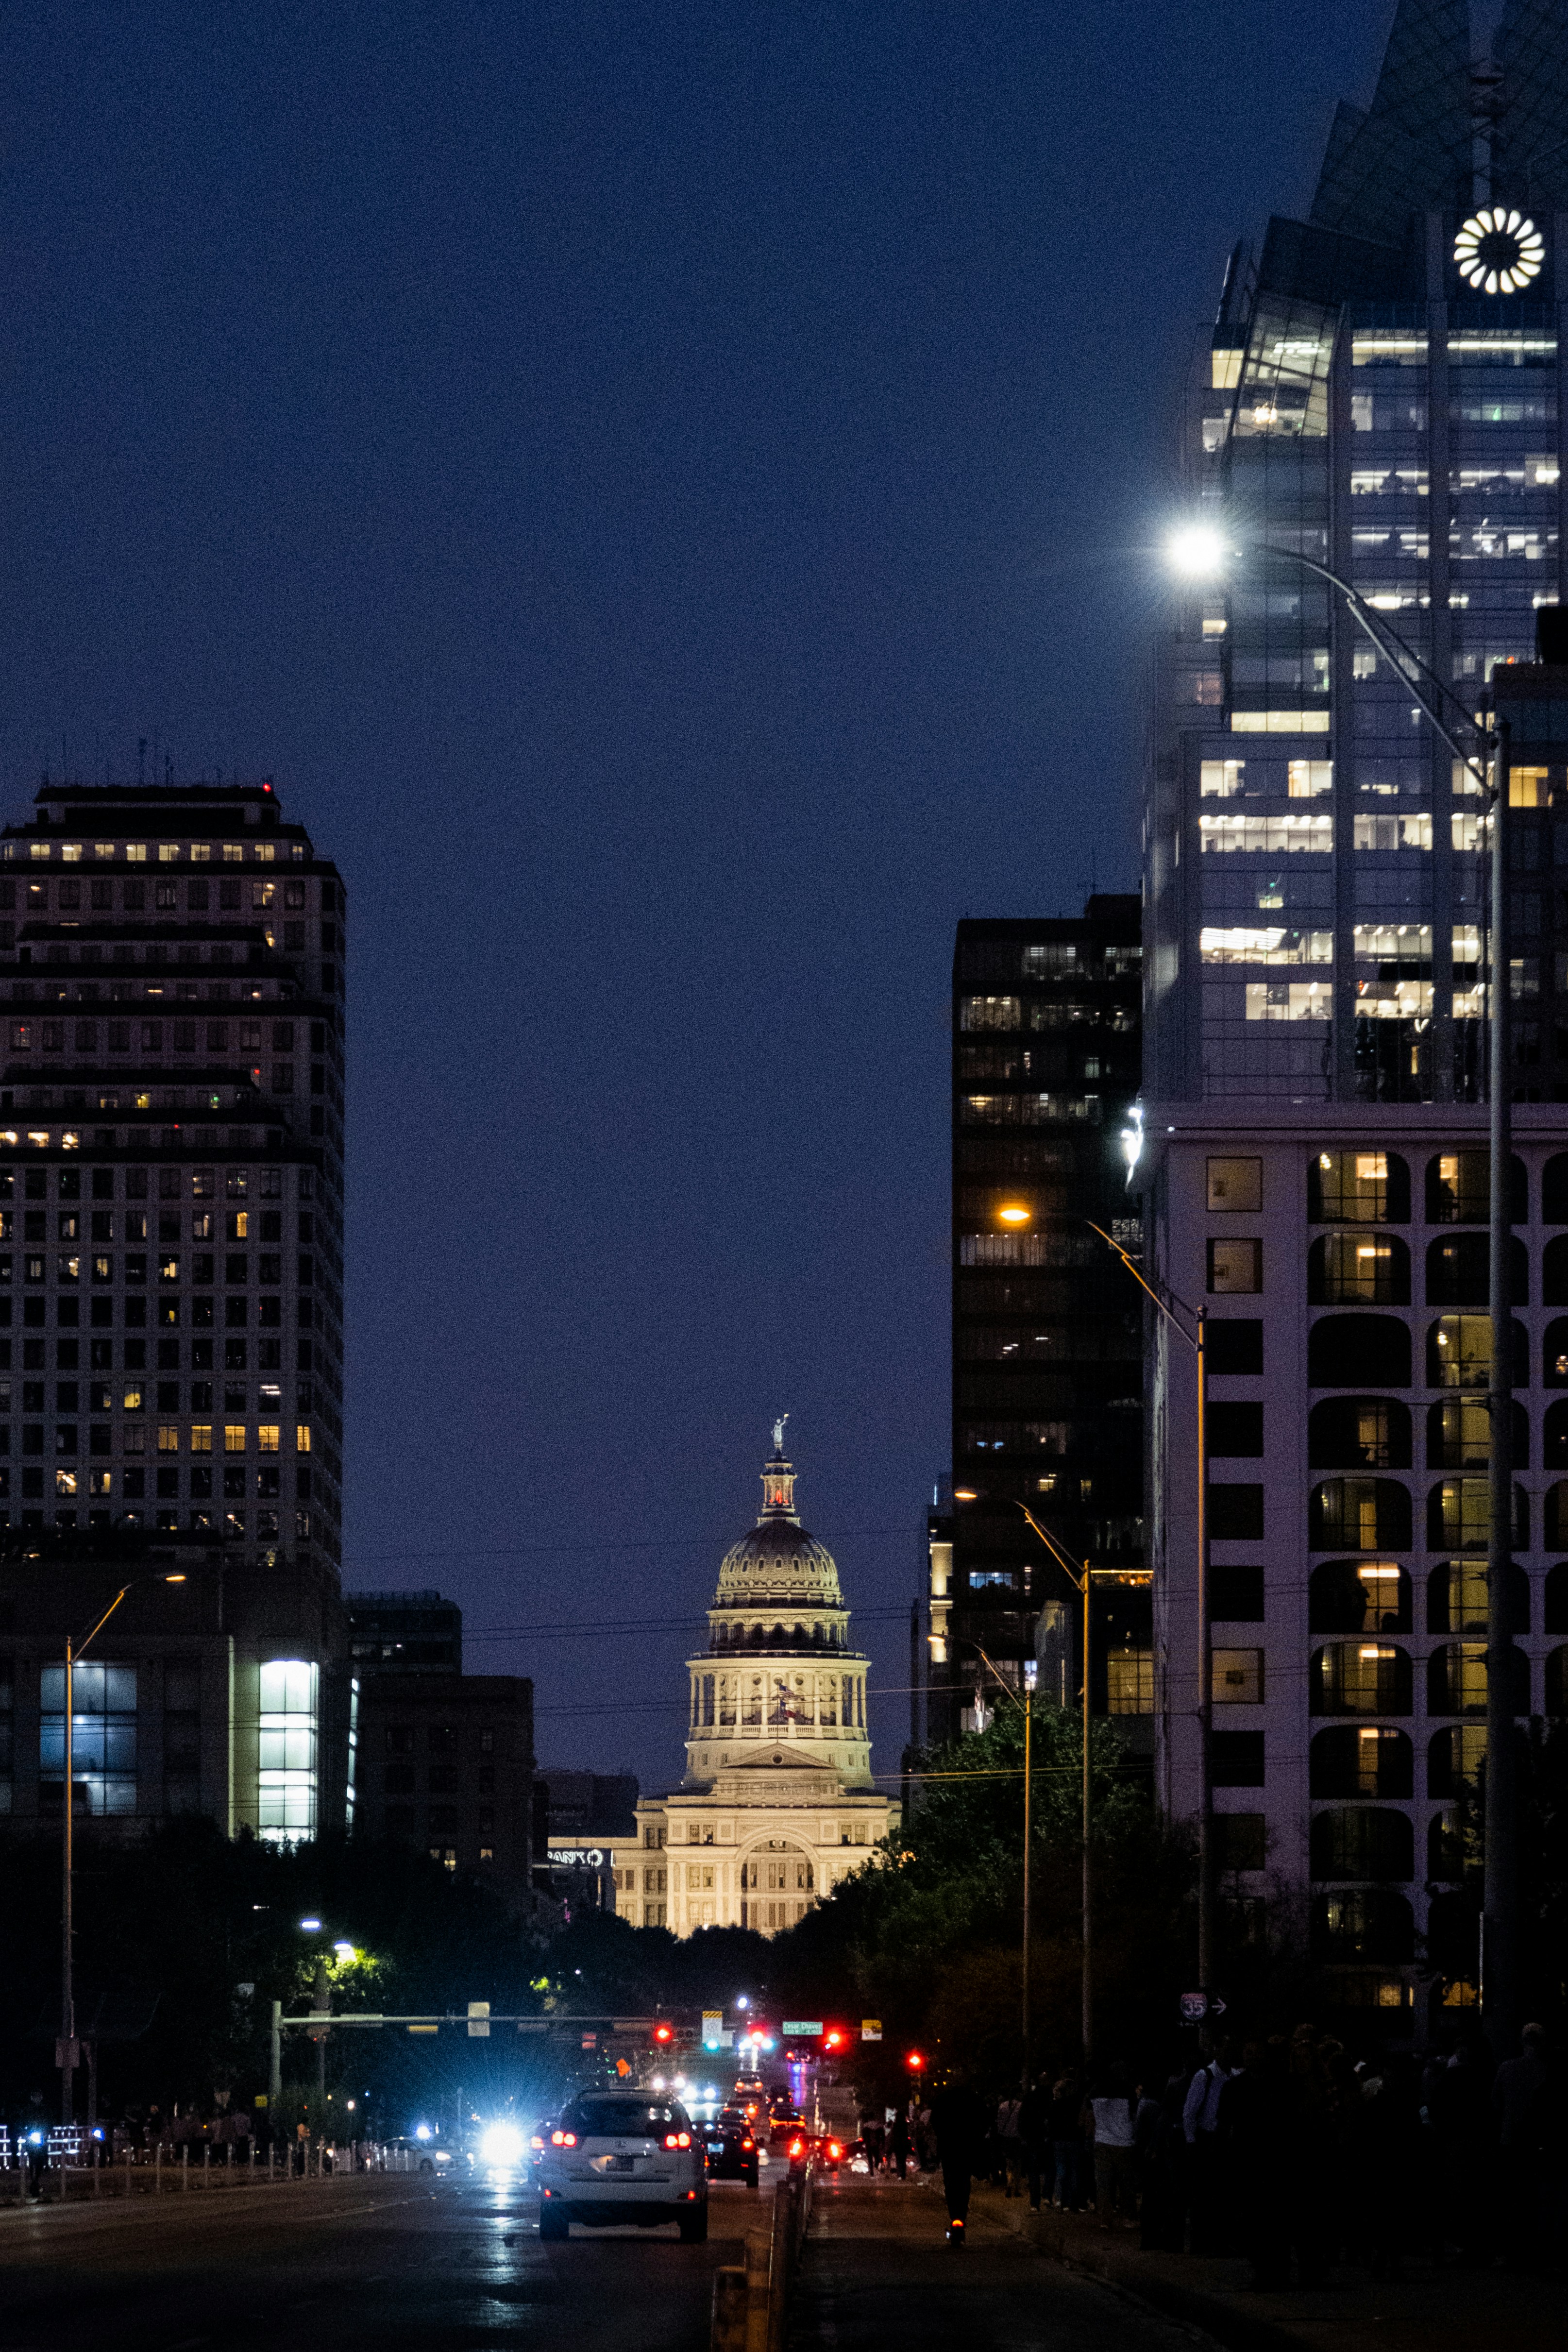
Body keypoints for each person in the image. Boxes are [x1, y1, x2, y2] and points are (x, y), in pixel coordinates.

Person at [1182, 2042, 1232, 2253]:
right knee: (1203, 2193)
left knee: (1222, 2193)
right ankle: (1202, 2242)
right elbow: (1190, 2112)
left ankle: (1219, 2240)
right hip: (1207, 2137)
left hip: (1225, 2138)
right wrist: (1192, 2141)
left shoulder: (1234, 2075)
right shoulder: (1205, 2076)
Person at [927, 2075, 987, 2245]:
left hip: (949, 2148)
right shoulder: (974, 2100)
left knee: (951, 2184)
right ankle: (961, 2218)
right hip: (968, 2148)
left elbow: (935, 2122)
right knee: (964, 2183)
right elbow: (984, 2121)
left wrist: (944, 2136)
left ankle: (955, 2218)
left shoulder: (943, 2100)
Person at [1087, 2065, 1138, 2229]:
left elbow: (1089, 2114)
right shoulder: (1128, 2090)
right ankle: (1127, 2217)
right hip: (1123, 2142)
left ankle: (1105, 2219)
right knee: (1126, 2182)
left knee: (1103, 2182)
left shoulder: (1096, 2090)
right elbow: (1133, 2115)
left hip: (1102, 2140)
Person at [1049, 2071, 1085, 2211]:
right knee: (1074, 2171)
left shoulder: (1055, 2105)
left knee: (1061, 2170)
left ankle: (1059, 2199)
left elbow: (1051, 2122)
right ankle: (1073, 2201)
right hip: (1074, 2139)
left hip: (1059, 2140)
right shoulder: (1076, 2104)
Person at [1018, 2071, 1052, 2213]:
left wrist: (1024, 2136)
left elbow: (1022, 2119)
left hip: (1032, 2138)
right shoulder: (1050, 2097)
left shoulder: (1030, 2098)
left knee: (1034, 2171)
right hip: (1045, 2137)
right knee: (1050, 2168)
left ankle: (1035, 2202)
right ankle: (1047, 2196)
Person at [996, 2089, 1026, 2198]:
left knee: (1009, 2164)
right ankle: (1017, 2188)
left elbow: (999, 2123)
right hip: (1017, 2139)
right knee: (1018, 2164)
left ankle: (1009, 2184)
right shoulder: (1021, 2106)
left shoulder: (1002, 2106)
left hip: (1006, 2138)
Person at [888, 2104, 910, 2180]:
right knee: (903, 2159)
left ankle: (899, 2174)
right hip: (904, 2143)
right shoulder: (905, 2125)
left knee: (899, 2159)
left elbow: (893, 2135)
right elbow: (908, 2134)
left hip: (897, 2144)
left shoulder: (895, 2125)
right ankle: (903, 2174)